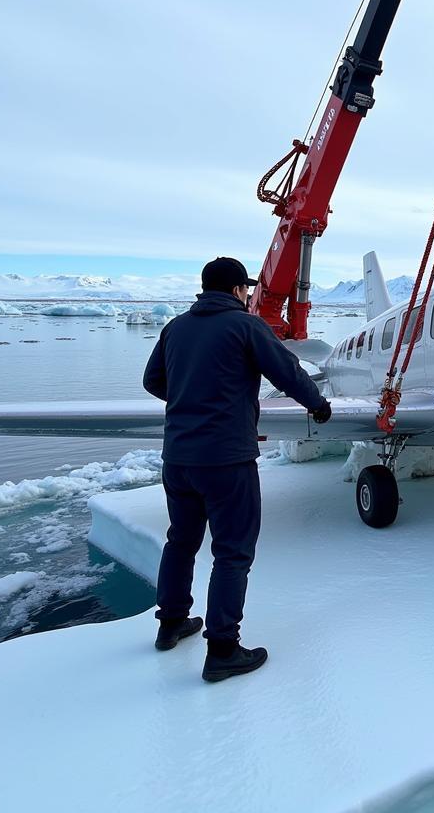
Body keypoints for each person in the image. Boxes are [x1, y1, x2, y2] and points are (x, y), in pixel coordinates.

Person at [143, 256, 332, 682]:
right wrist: (318, 406)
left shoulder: (175, 328)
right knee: (232, 551)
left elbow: (152, 381)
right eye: (246, 289)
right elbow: (287, 372)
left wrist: (191, 399)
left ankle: (171, 623)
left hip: (178, 458)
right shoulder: (246, 326)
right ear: (235, 291)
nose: (249, 295)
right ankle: (223, 648)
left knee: (181, 540)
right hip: (226, 459)